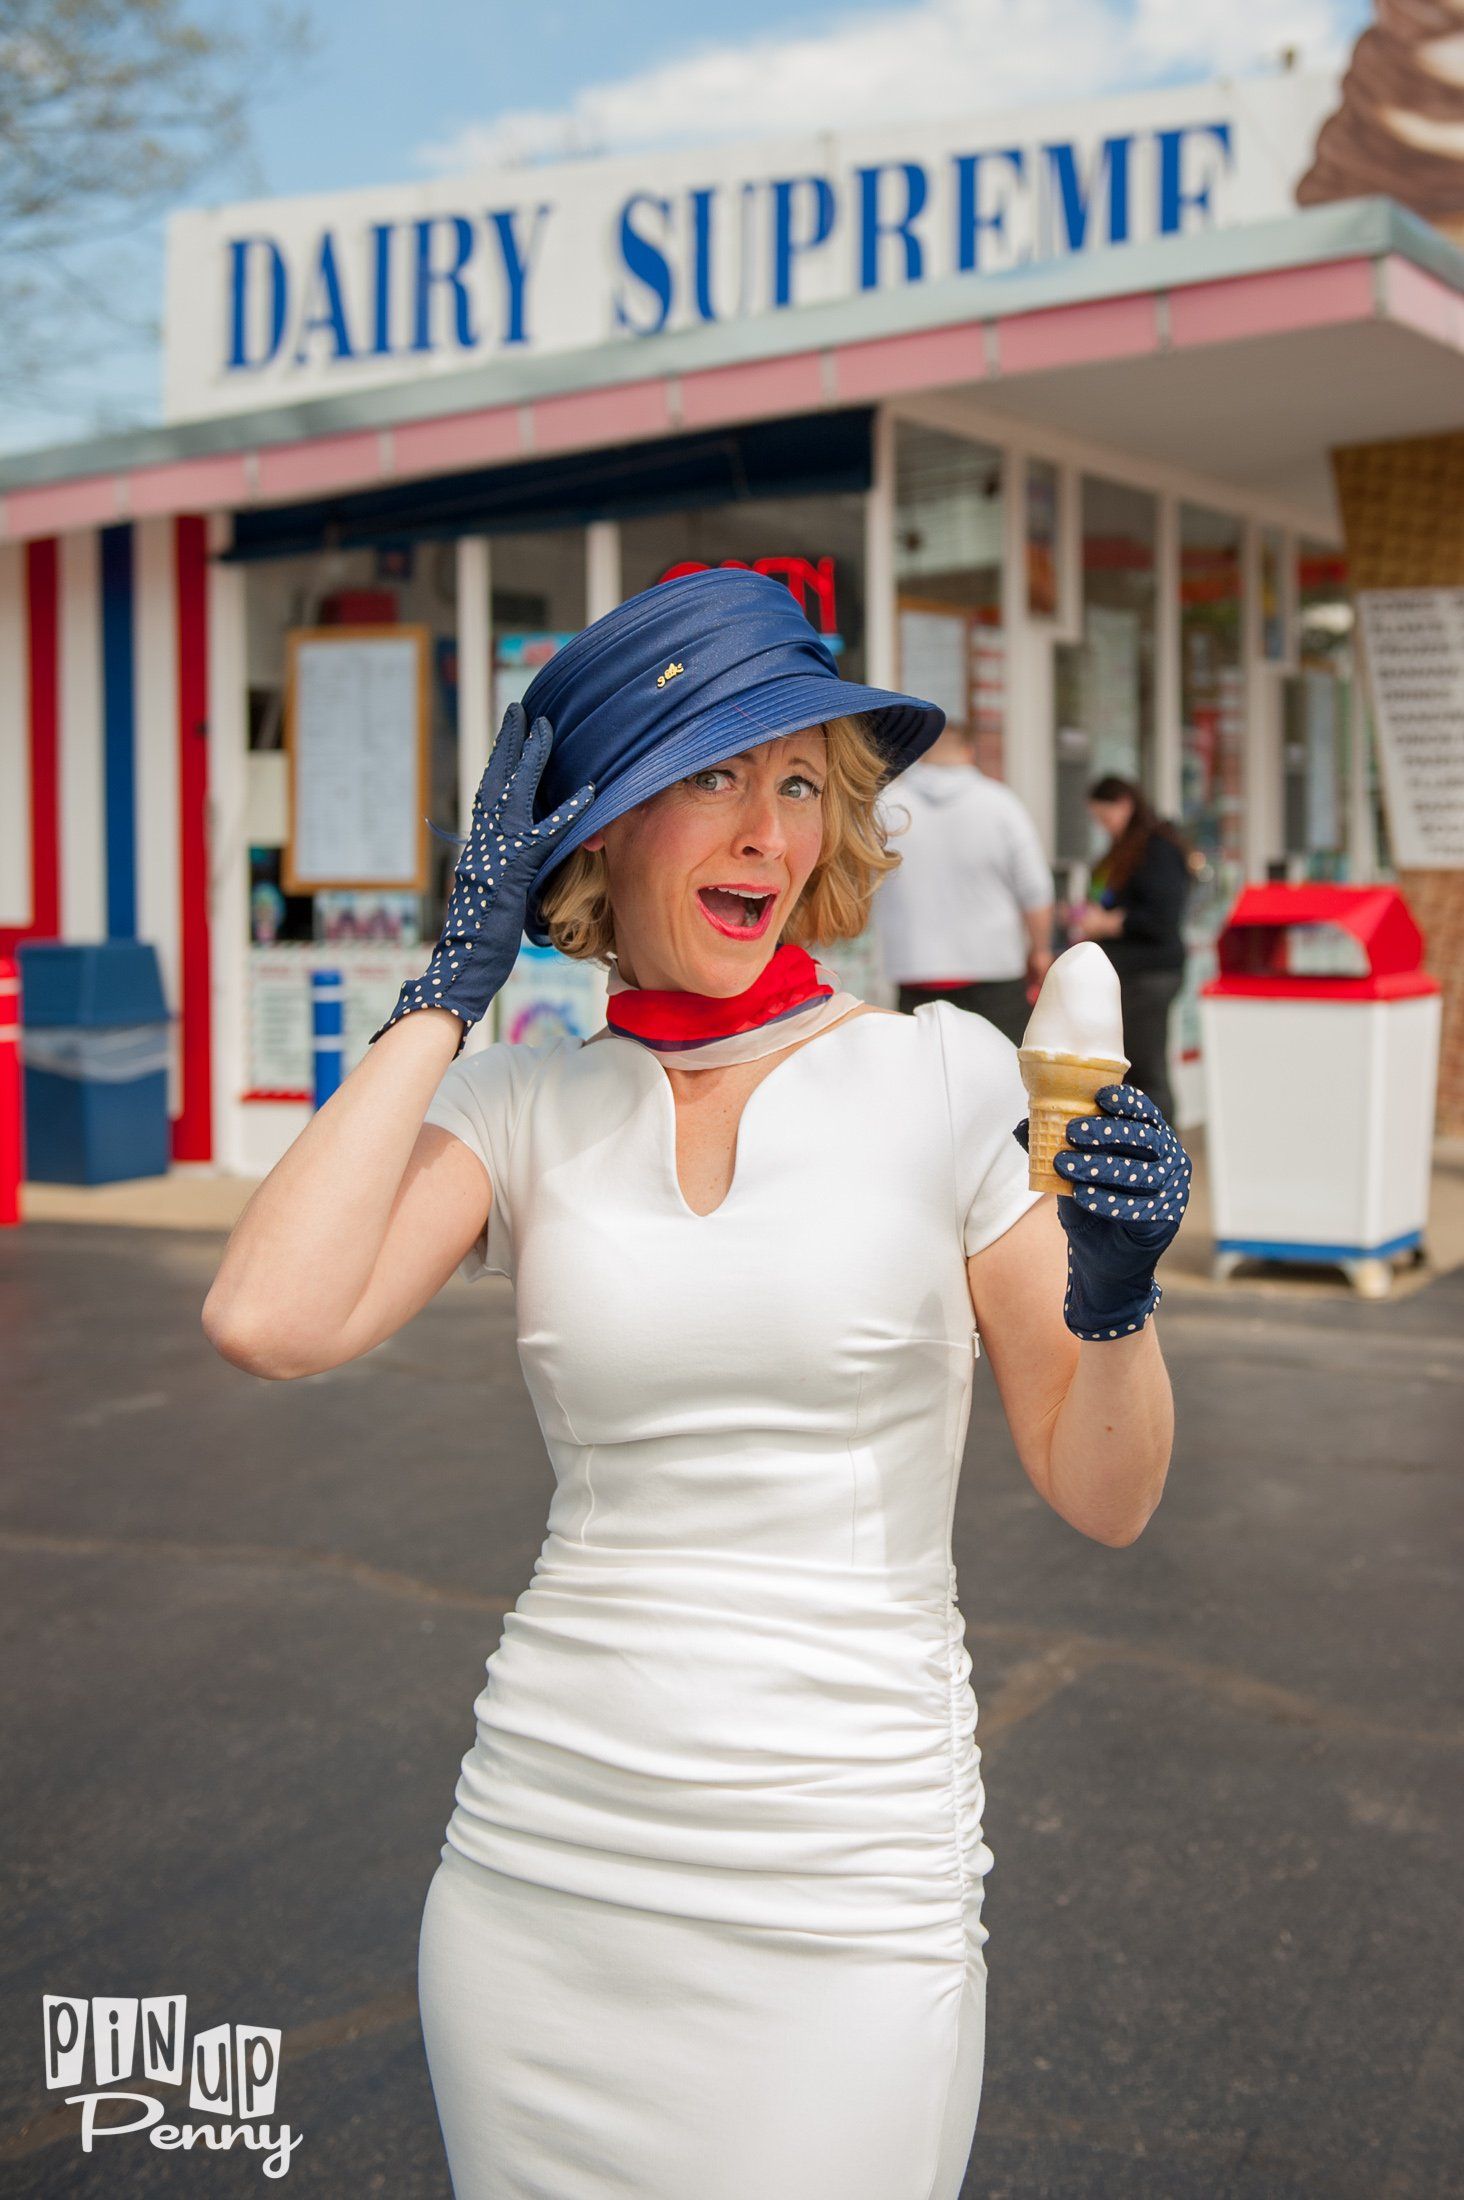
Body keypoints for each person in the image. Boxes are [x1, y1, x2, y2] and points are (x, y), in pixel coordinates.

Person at [201, 570, 1190, 2200]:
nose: (763, 827)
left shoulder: (941, 1074)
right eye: (705, 776)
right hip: (542, 1872)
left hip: (842, 1888)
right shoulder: (519, 1106)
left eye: (794, 779)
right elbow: (268, 1315)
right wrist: (446, 993)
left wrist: (1113, 1300)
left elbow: (1106, 1497)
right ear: (592, 835)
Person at [871, 718, 1054, 1044]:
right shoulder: (1002, 804)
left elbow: (861, 879)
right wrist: (1040, 949)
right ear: (969, 751)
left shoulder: (887, 806)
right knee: (1002, 1083)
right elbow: (1035, 889)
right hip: (995, 970)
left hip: (915, 970)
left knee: (926, 1084)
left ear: (922, 753)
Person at [1075, 774, 1192, 1128]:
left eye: (1105, 817)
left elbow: (1161, 918)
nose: (1103, 826)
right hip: (1131, 974)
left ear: (1125, 805)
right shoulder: (1127, 847)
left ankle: (1162, 1154)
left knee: (1146, 1068)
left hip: (1150, 975)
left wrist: (1108, 924)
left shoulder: (1157, 848)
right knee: (1131, 1067)